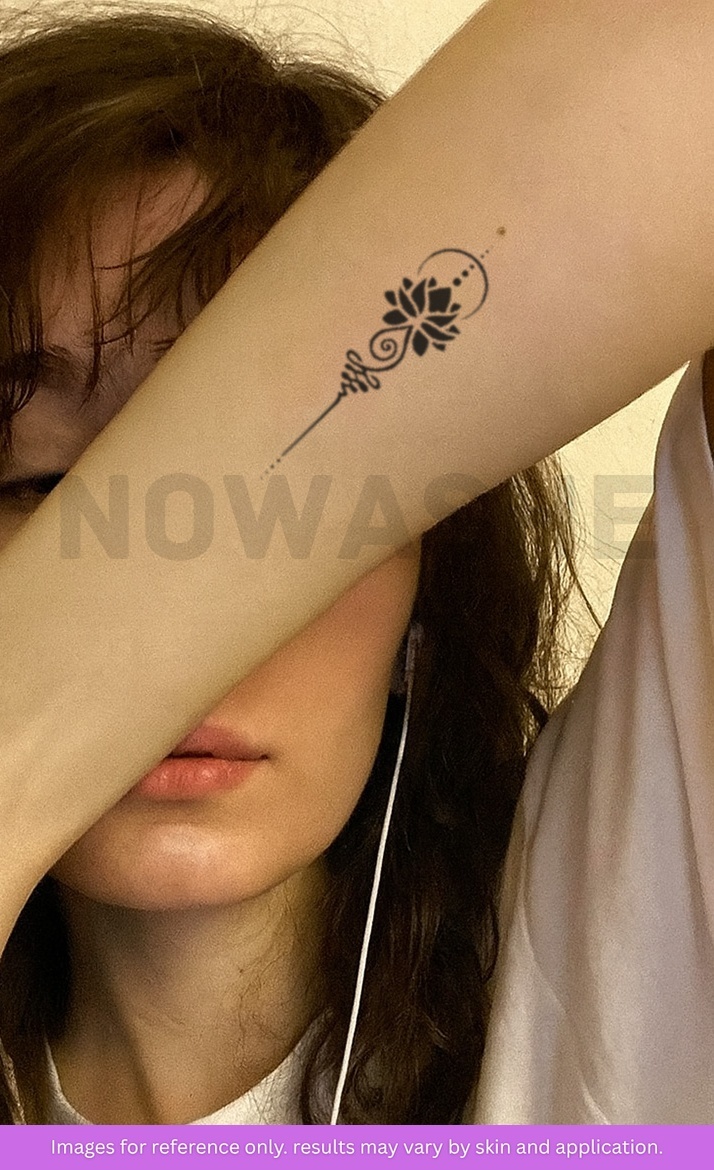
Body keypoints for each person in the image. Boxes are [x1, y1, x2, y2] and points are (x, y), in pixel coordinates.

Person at [2, 0, 714, 1127]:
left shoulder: (610, 961)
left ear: (424, 598)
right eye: (45, 483)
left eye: (298, 507)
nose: (185, 610)